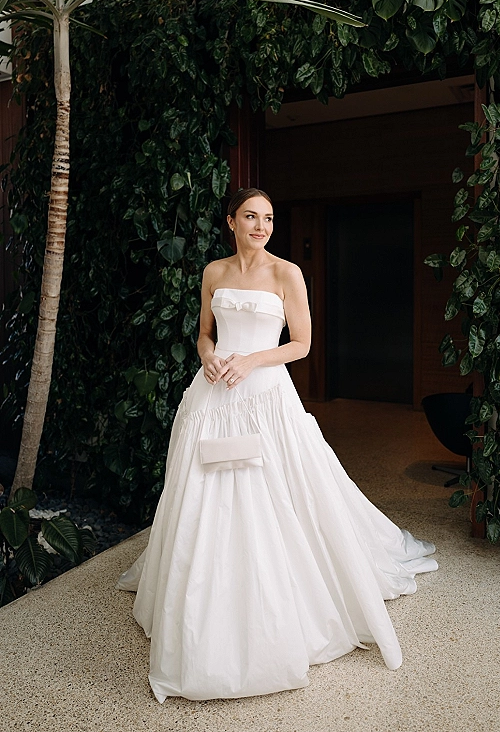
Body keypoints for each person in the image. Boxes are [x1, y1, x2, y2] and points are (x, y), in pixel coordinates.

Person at [117, 187, 438, 704]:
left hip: (265, 393)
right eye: (251, 216)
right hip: (213, 390)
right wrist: (210, 358)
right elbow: (204, 334)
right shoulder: (214, 273)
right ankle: (205, 596)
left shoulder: (287, 272)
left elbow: (302, 343)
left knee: (277, 491)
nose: (261, 226)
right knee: (207, 487)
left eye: (268, 218)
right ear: (231, 221)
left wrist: (251, 360)